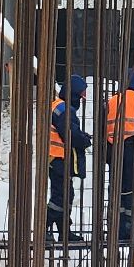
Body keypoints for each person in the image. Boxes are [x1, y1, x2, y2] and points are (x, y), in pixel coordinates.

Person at [104, 70, 134, 242]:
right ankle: (129, 226)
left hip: (114, 150)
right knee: (132, 187)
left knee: (116, 187)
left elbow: (101, 129)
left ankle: (114, 225)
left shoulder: (111, 101)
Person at [48, 75, 94, 242]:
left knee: (66, 195)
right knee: (60, 197)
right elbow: (70, 134)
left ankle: (64, 232)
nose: (81, 100)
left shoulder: (59, 106)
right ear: (74, 94)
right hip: (59, 159)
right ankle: (46, 228)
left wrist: (81, 135)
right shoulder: (64, 110)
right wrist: (84, 140)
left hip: (57, 159)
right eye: (80, 95)